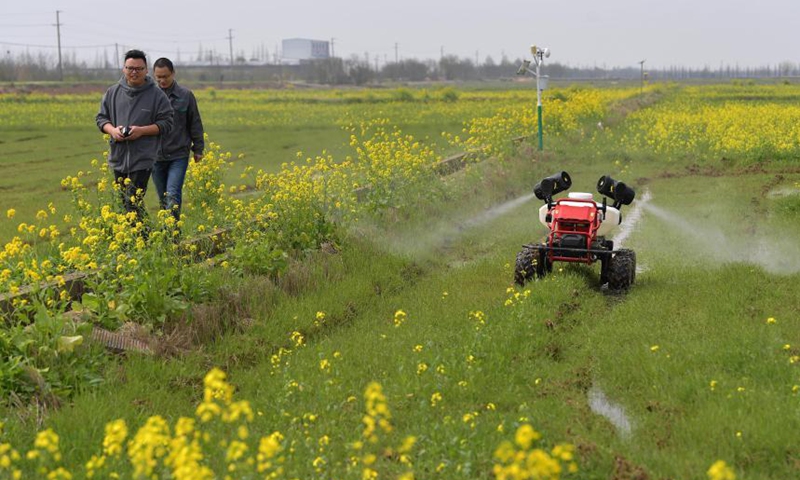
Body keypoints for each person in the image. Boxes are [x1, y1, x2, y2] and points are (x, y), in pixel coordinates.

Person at [96, 49, 173, 223]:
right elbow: (101, 118)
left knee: (132, 201)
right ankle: (144, 240)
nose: (134, 72)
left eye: (139, 68)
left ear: (146, 70)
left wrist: (141, 131)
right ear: (123, 69)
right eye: (130, 68)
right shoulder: (112, 92)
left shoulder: (156, 95)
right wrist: (112, 131)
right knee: (125, 203)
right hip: (118, 156)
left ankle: (143, 241)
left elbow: (167, 123)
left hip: (143, 157)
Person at [152, 57, 205, 223]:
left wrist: (198, 149)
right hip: (156, 156)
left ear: (173, 73)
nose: (162, 80)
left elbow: (194, 122)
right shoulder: (150, 97)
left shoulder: (185, 95)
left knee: (173, 194)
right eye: (158, 77)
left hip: (178, 154)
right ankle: (169, 236)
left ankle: (173, 235)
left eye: (165, 76)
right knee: (163, 198)